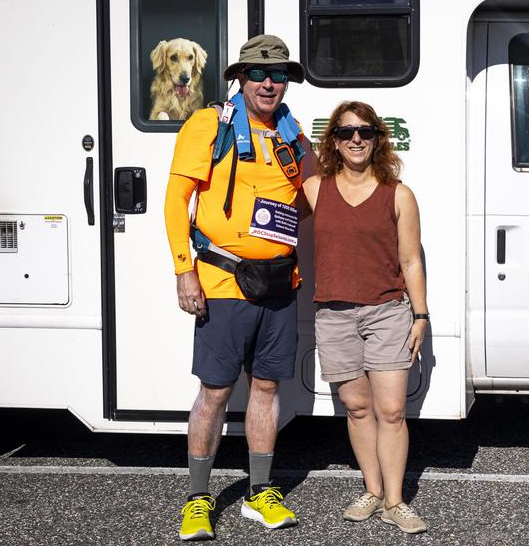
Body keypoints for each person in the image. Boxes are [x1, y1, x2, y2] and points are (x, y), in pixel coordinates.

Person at [164, 34, 309, 541]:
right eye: (258, 74)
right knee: (216, 391)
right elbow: (174, 200)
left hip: (280, 282)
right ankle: (198, 499)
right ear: (239, 79)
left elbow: (312, 199)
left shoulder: (293, 135)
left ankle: (260, 493)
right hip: (222, 279)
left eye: (279, 74)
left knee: (268, 388)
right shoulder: (208, 124)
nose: (270, 83)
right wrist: (184, 270)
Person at [300, 101, 429, 534]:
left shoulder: (399, 194)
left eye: (366, 131)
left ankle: (395, 501)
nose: (356, 139)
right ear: (333, 140)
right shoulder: (316, 189)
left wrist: (421, 315)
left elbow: (411, 261)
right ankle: (372, 491)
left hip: (388, 313)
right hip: (334, 316)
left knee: (391, 410)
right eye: (347, 131)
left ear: (378, 138)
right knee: (357, 409)